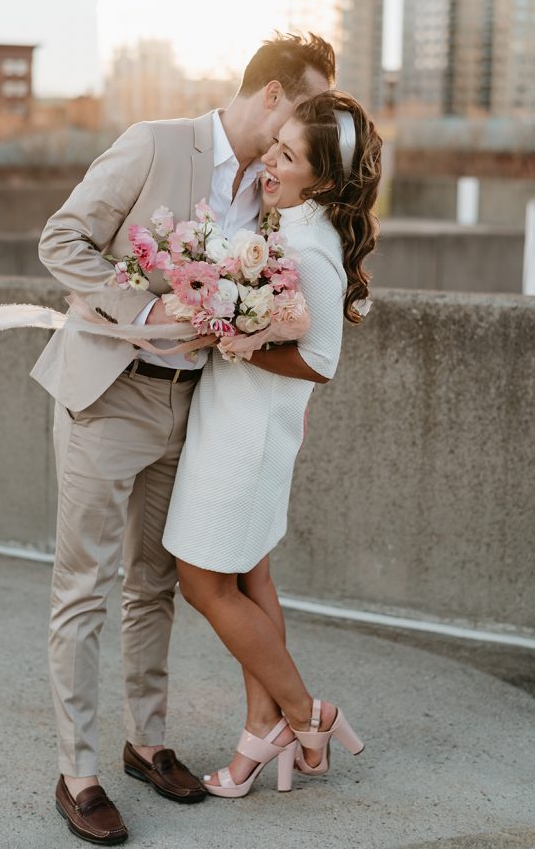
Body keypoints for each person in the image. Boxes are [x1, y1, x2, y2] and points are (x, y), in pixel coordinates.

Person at [31, 33, 336, 844]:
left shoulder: (273, 192)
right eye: (305, 108)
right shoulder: (156, 144)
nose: (304, 133)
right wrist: (142, 311)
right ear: (272, 96)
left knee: (153, 582)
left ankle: (148, 742)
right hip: (108, 395)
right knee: (84, 588)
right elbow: (61, 240)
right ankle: (79, 773)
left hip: (192, 407)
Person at [162, 90, 382, 797]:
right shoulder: (289, 225)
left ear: (321, 179)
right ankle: (263, 731)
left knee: (201, 581)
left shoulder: (312, 247)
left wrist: (232, 338)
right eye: (275, 145)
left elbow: (320, 362)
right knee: (250, 581)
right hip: (234, 422)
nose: (271, 162)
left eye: (288, 157)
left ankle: (301, 712)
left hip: (247, 439)